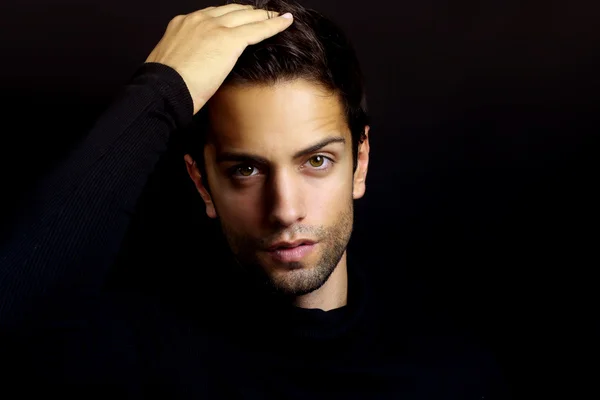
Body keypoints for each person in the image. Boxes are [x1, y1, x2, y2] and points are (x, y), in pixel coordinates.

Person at [0, 0, 509, 398]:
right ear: (202, 184)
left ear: (362, 162)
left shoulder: (454, 370)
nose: (285, 208)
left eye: (316, 161)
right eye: (246, 169)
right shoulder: (135, 360)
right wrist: (160, 92)